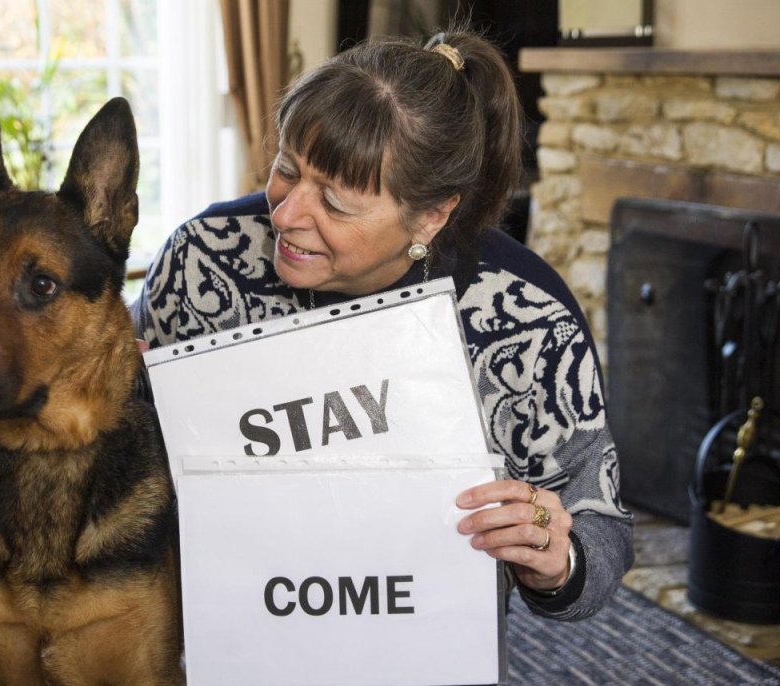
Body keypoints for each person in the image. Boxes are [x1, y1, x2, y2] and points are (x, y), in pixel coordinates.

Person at [132, 27, 633, 620]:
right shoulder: (201, 258)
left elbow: (602, 528)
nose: (286, 214)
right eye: (287, 170)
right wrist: (119, 401)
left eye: (336, 203)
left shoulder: (528, 319)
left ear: (430, 217)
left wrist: (556, 556)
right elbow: (136, 463)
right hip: (227, 624)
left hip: (416, 637)